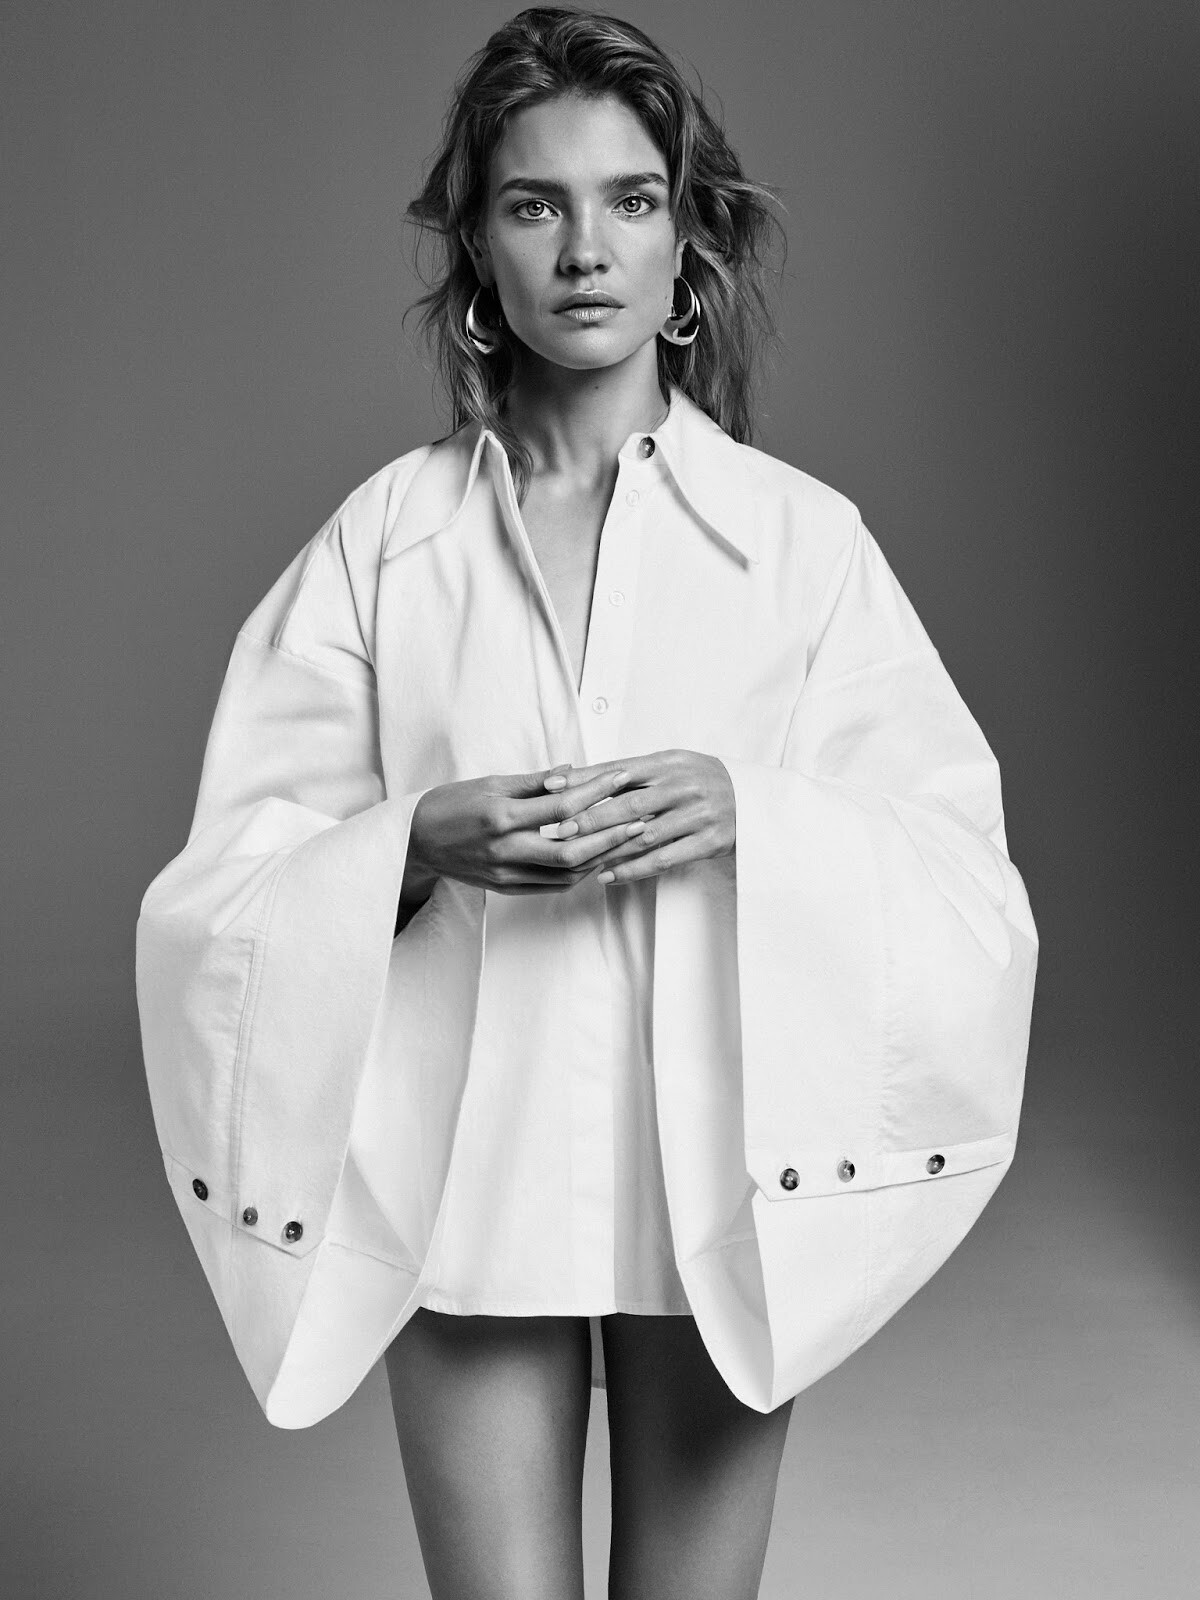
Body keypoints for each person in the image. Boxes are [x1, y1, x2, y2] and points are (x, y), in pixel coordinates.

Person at [135, 8, 1038, 1598]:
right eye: (534, 204)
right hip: (468, 1194)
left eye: (630, 199)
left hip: (720, 1193)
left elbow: (964, 880)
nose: (583, 249)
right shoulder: (382, 545)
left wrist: (752, 811)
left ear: (686, 240)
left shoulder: (803, 547)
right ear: (477, 249)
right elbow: (222, 893)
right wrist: (413, 843)